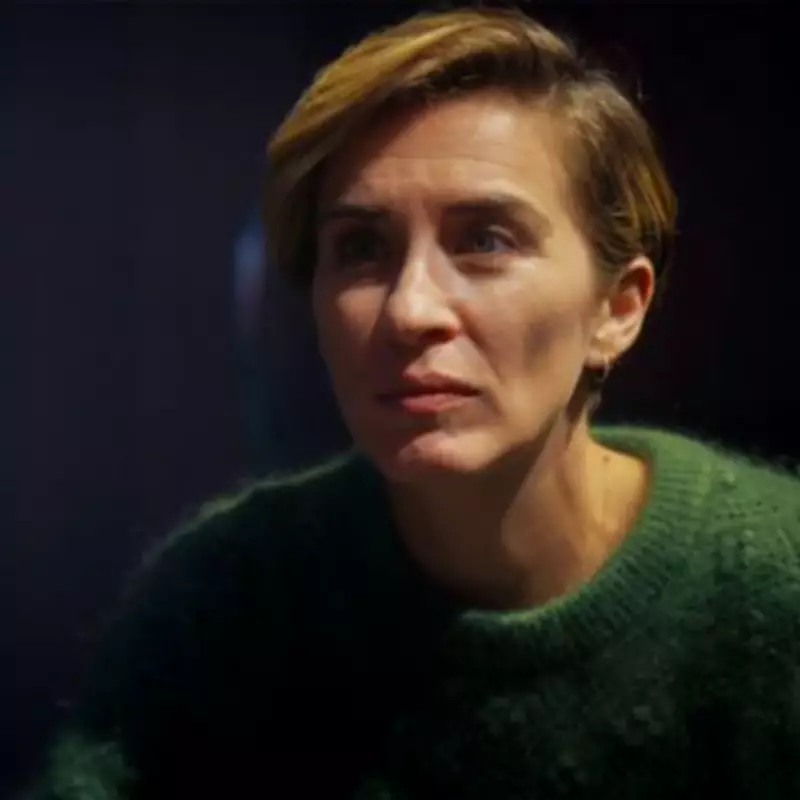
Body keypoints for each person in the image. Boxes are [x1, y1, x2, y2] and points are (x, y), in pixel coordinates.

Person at [23, 7, 800, 799]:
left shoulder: (773, 587)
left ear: (617, 309)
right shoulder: (227, 599)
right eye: (362, 248)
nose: (408, 310)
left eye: (485, 240)